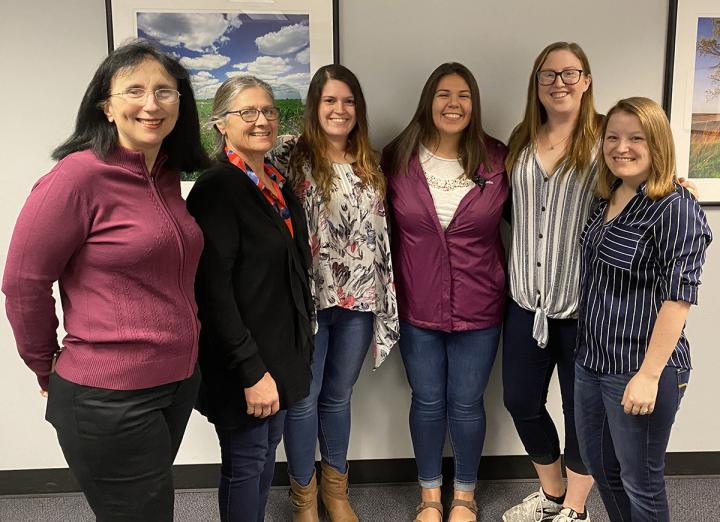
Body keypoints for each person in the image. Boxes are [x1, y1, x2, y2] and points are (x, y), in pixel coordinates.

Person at [2, 41, 209, 521]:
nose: (151, 103)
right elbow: (23, 282)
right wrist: (43, 365)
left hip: (176, 383)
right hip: (109, 396)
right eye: (134, 90)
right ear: (107, 106)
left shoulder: (166, 177)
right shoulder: (77, 177)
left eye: (165, 91)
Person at [382, 62, 509, 522]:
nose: (453, 104)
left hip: (481, 307)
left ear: (474, 105)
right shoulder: (396, 157)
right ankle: (430, 496)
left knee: (468, 403)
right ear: (427, 100)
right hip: (417, 307)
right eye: (442, 94)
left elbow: (546, 204)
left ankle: (465, 496)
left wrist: (654, 187)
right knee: (428, 401)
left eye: (463, 95)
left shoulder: (499, 159)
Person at [574, 97, 711, 522]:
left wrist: (649, 376)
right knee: (602, 468)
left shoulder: (676, 207)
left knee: (641, 483)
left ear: (657, 143)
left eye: (636, 138)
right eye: (612, 137)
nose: (622, 147)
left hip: (639, 368)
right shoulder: (609, 195)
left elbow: (679, 298)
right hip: (592, 361)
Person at [273, 64, 399, 522]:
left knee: (338, 397)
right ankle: (303, 500)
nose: (339, 109)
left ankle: (336, 492)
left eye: (348, 101)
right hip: (307, 298)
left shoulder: (372, 160)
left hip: (360, 298)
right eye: (330, 100)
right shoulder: (291, 155)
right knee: (303, 398)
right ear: (314, 106)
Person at [186, 76, 314, 522]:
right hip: (245, 361)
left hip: (278, 354)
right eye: (248, 112)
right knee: (247, 463)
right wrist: (250, 370)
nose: (262, 120)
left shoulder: (274, 181)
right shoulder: (218, 187)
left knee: (260, 461)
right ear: (221, 124)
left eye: (269, 111)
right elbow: (212, 289)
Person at [501, 42, 600, 522]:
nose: (559, 83)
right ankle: (553, 493)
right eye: (548, 74)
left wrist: (673, 182)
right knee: (520, 401)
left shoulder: (606, 141)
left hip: (583, 308)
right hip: (525, 302)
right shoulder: (521, 138)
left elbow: (647, 187)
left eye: (569, 73)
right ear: (536, 83)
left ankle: (576, 511)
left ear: (585, 81)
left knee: (582, 414)